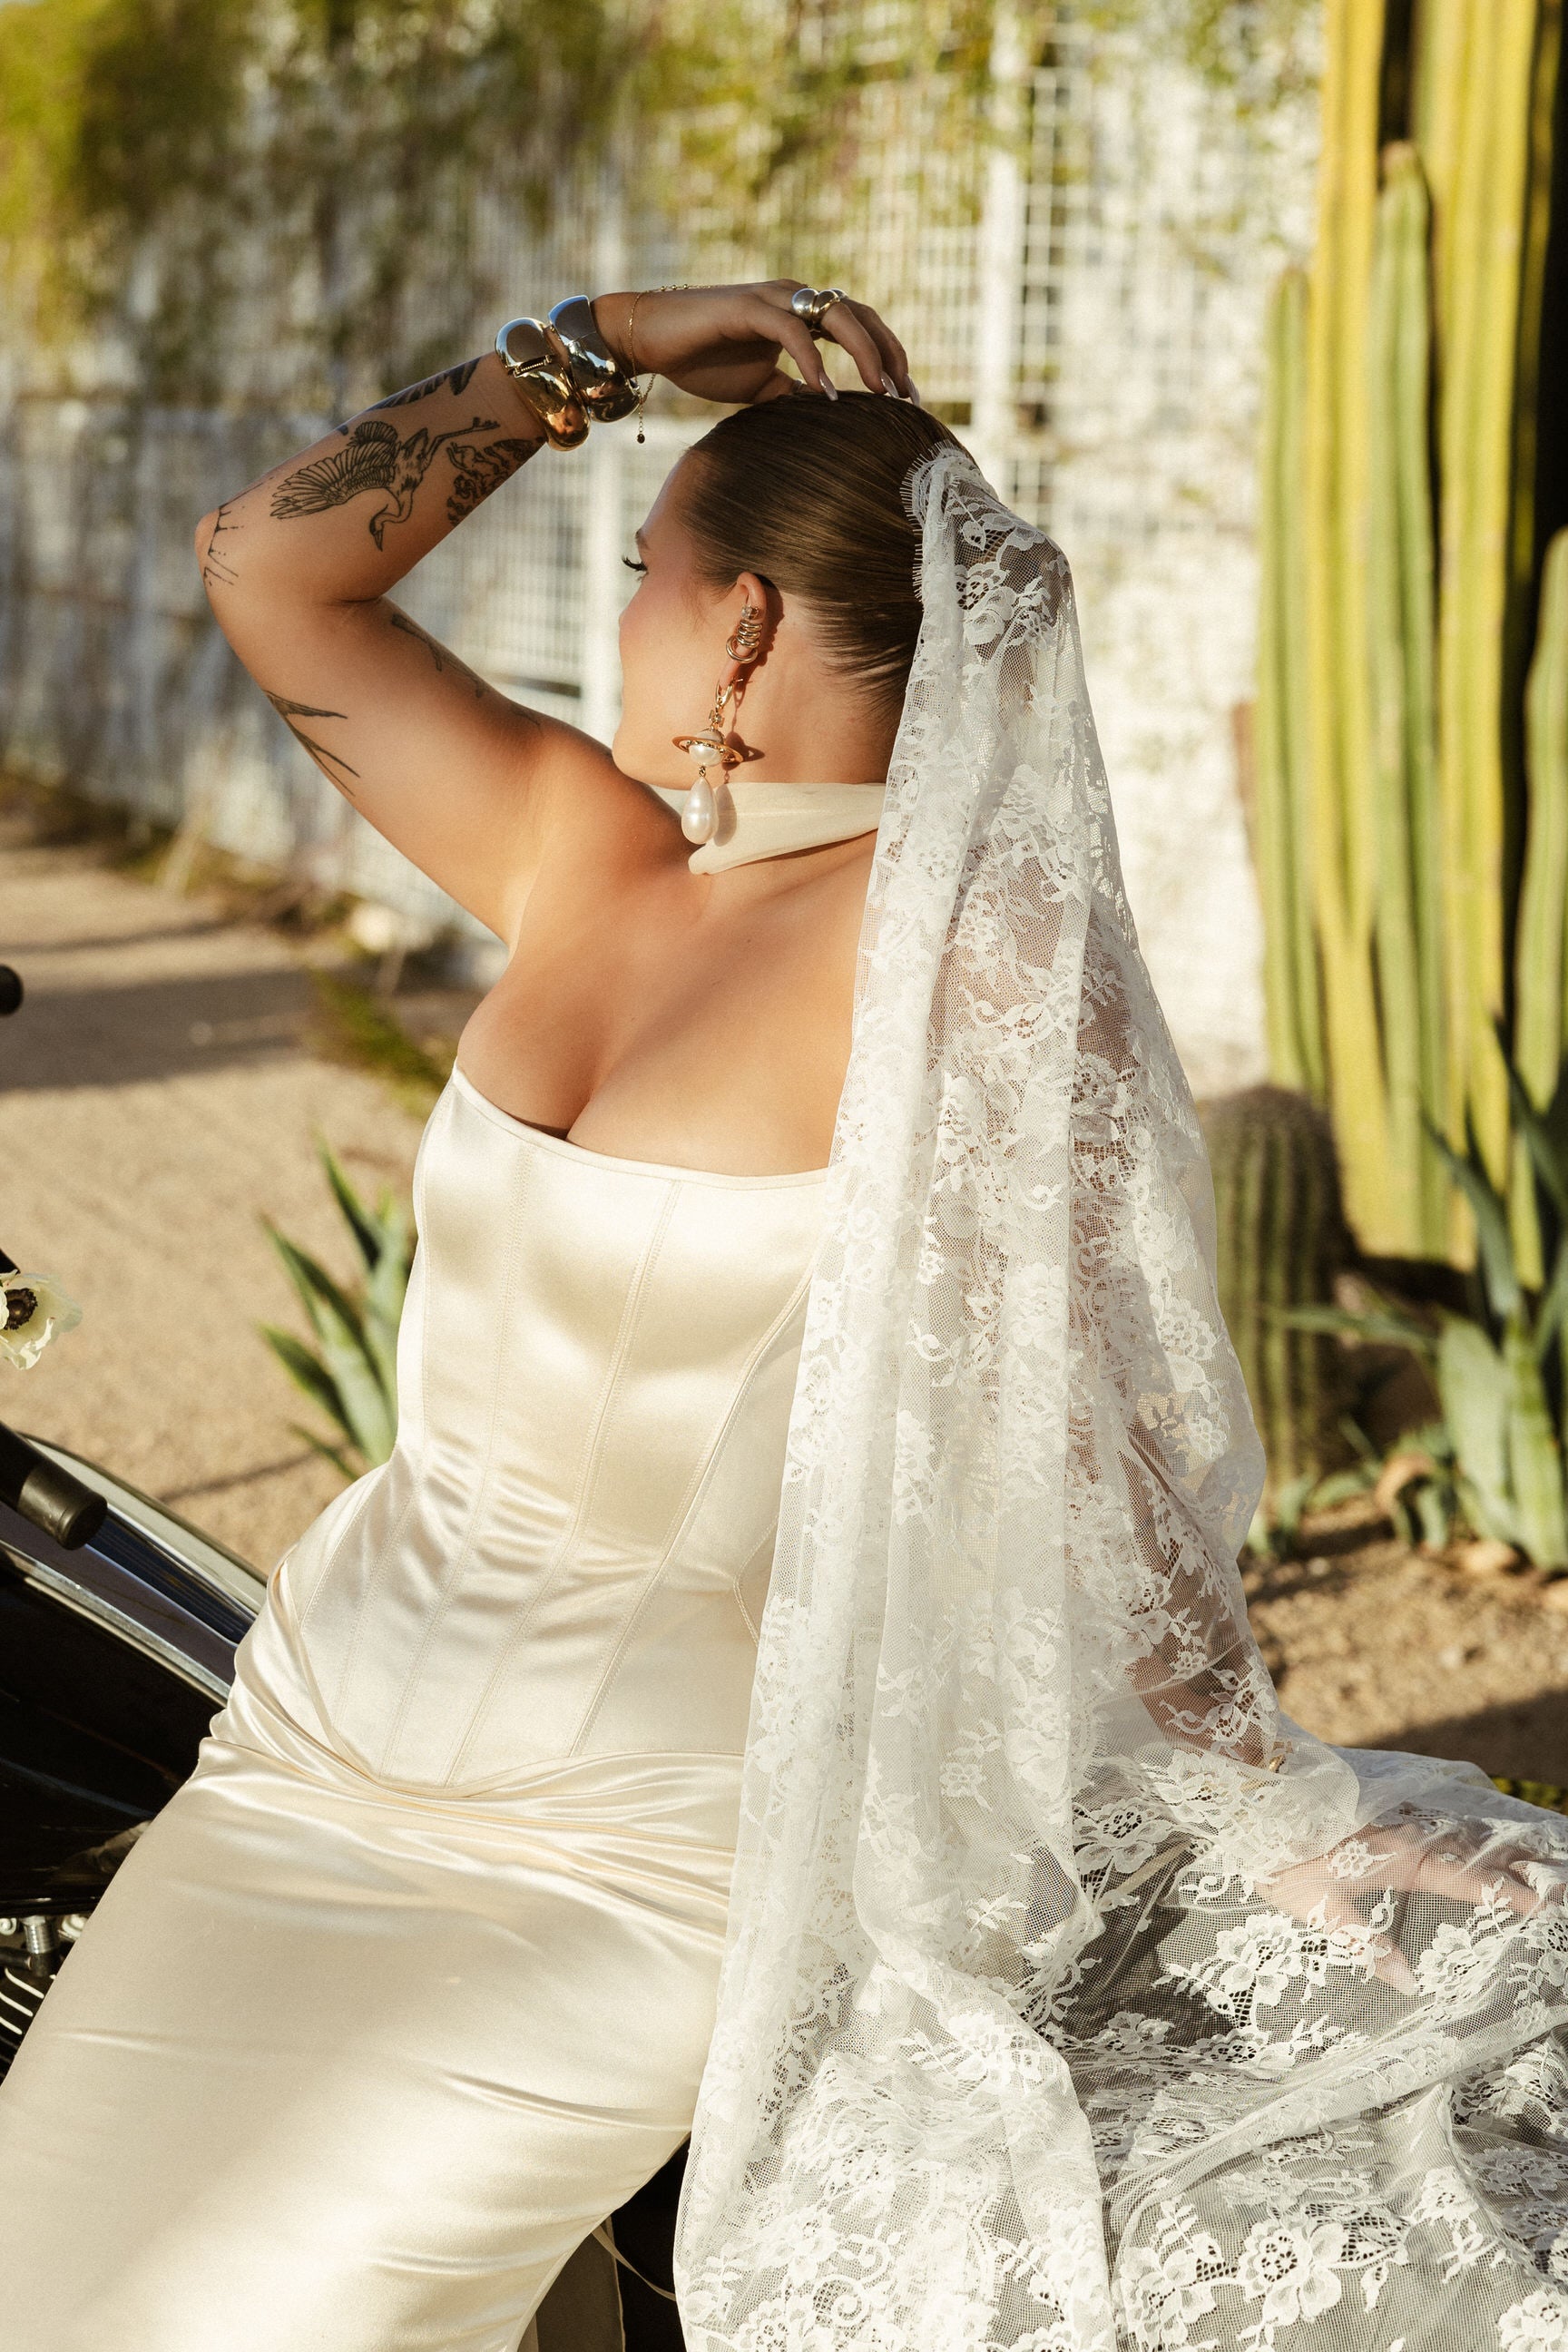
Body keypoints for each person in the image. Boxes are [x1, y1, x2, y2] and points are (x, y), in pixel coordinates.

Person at [3, 280, 1568, 2352]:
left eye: (650, 578)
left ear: (739, 629)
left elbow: (1110, 1436)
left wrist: (1257, 1808)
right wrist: (593, 349)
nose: (626, 618)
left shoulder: (987, 980)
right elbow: (269, 565)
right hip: (302, 1752)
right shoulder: (584, 850)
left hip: (622, 1862)